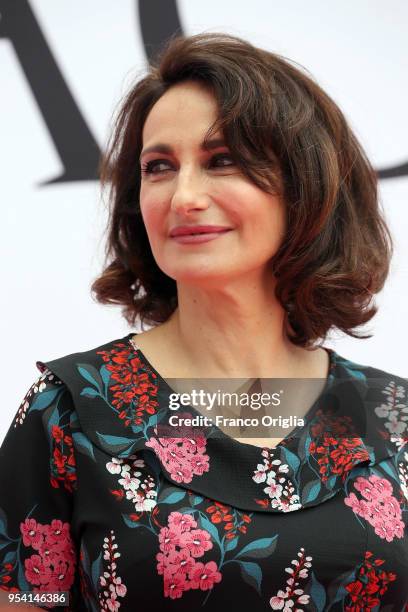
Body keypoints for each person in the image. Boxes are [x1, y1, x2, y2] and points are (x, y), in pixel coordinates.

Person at [0, 31, 407, 611]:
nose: (184, 195)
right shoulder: (68, 409)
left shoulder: (397, 418)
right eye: (159, 166)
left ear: (306, 185)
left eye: (222, 161)